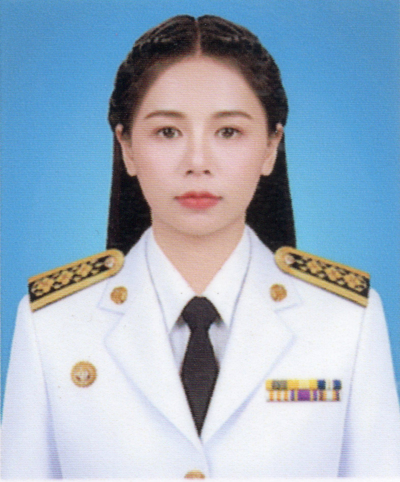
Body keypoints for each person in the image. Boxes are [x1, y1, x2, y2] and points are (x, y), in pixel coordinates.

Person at [2, 15, 399, 478]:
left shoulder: (345, 322)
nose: (197, 163)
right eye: (167, 132)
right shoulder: (52, 326)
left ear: (271, 146)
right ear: (126, 146)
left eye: (228, 132)